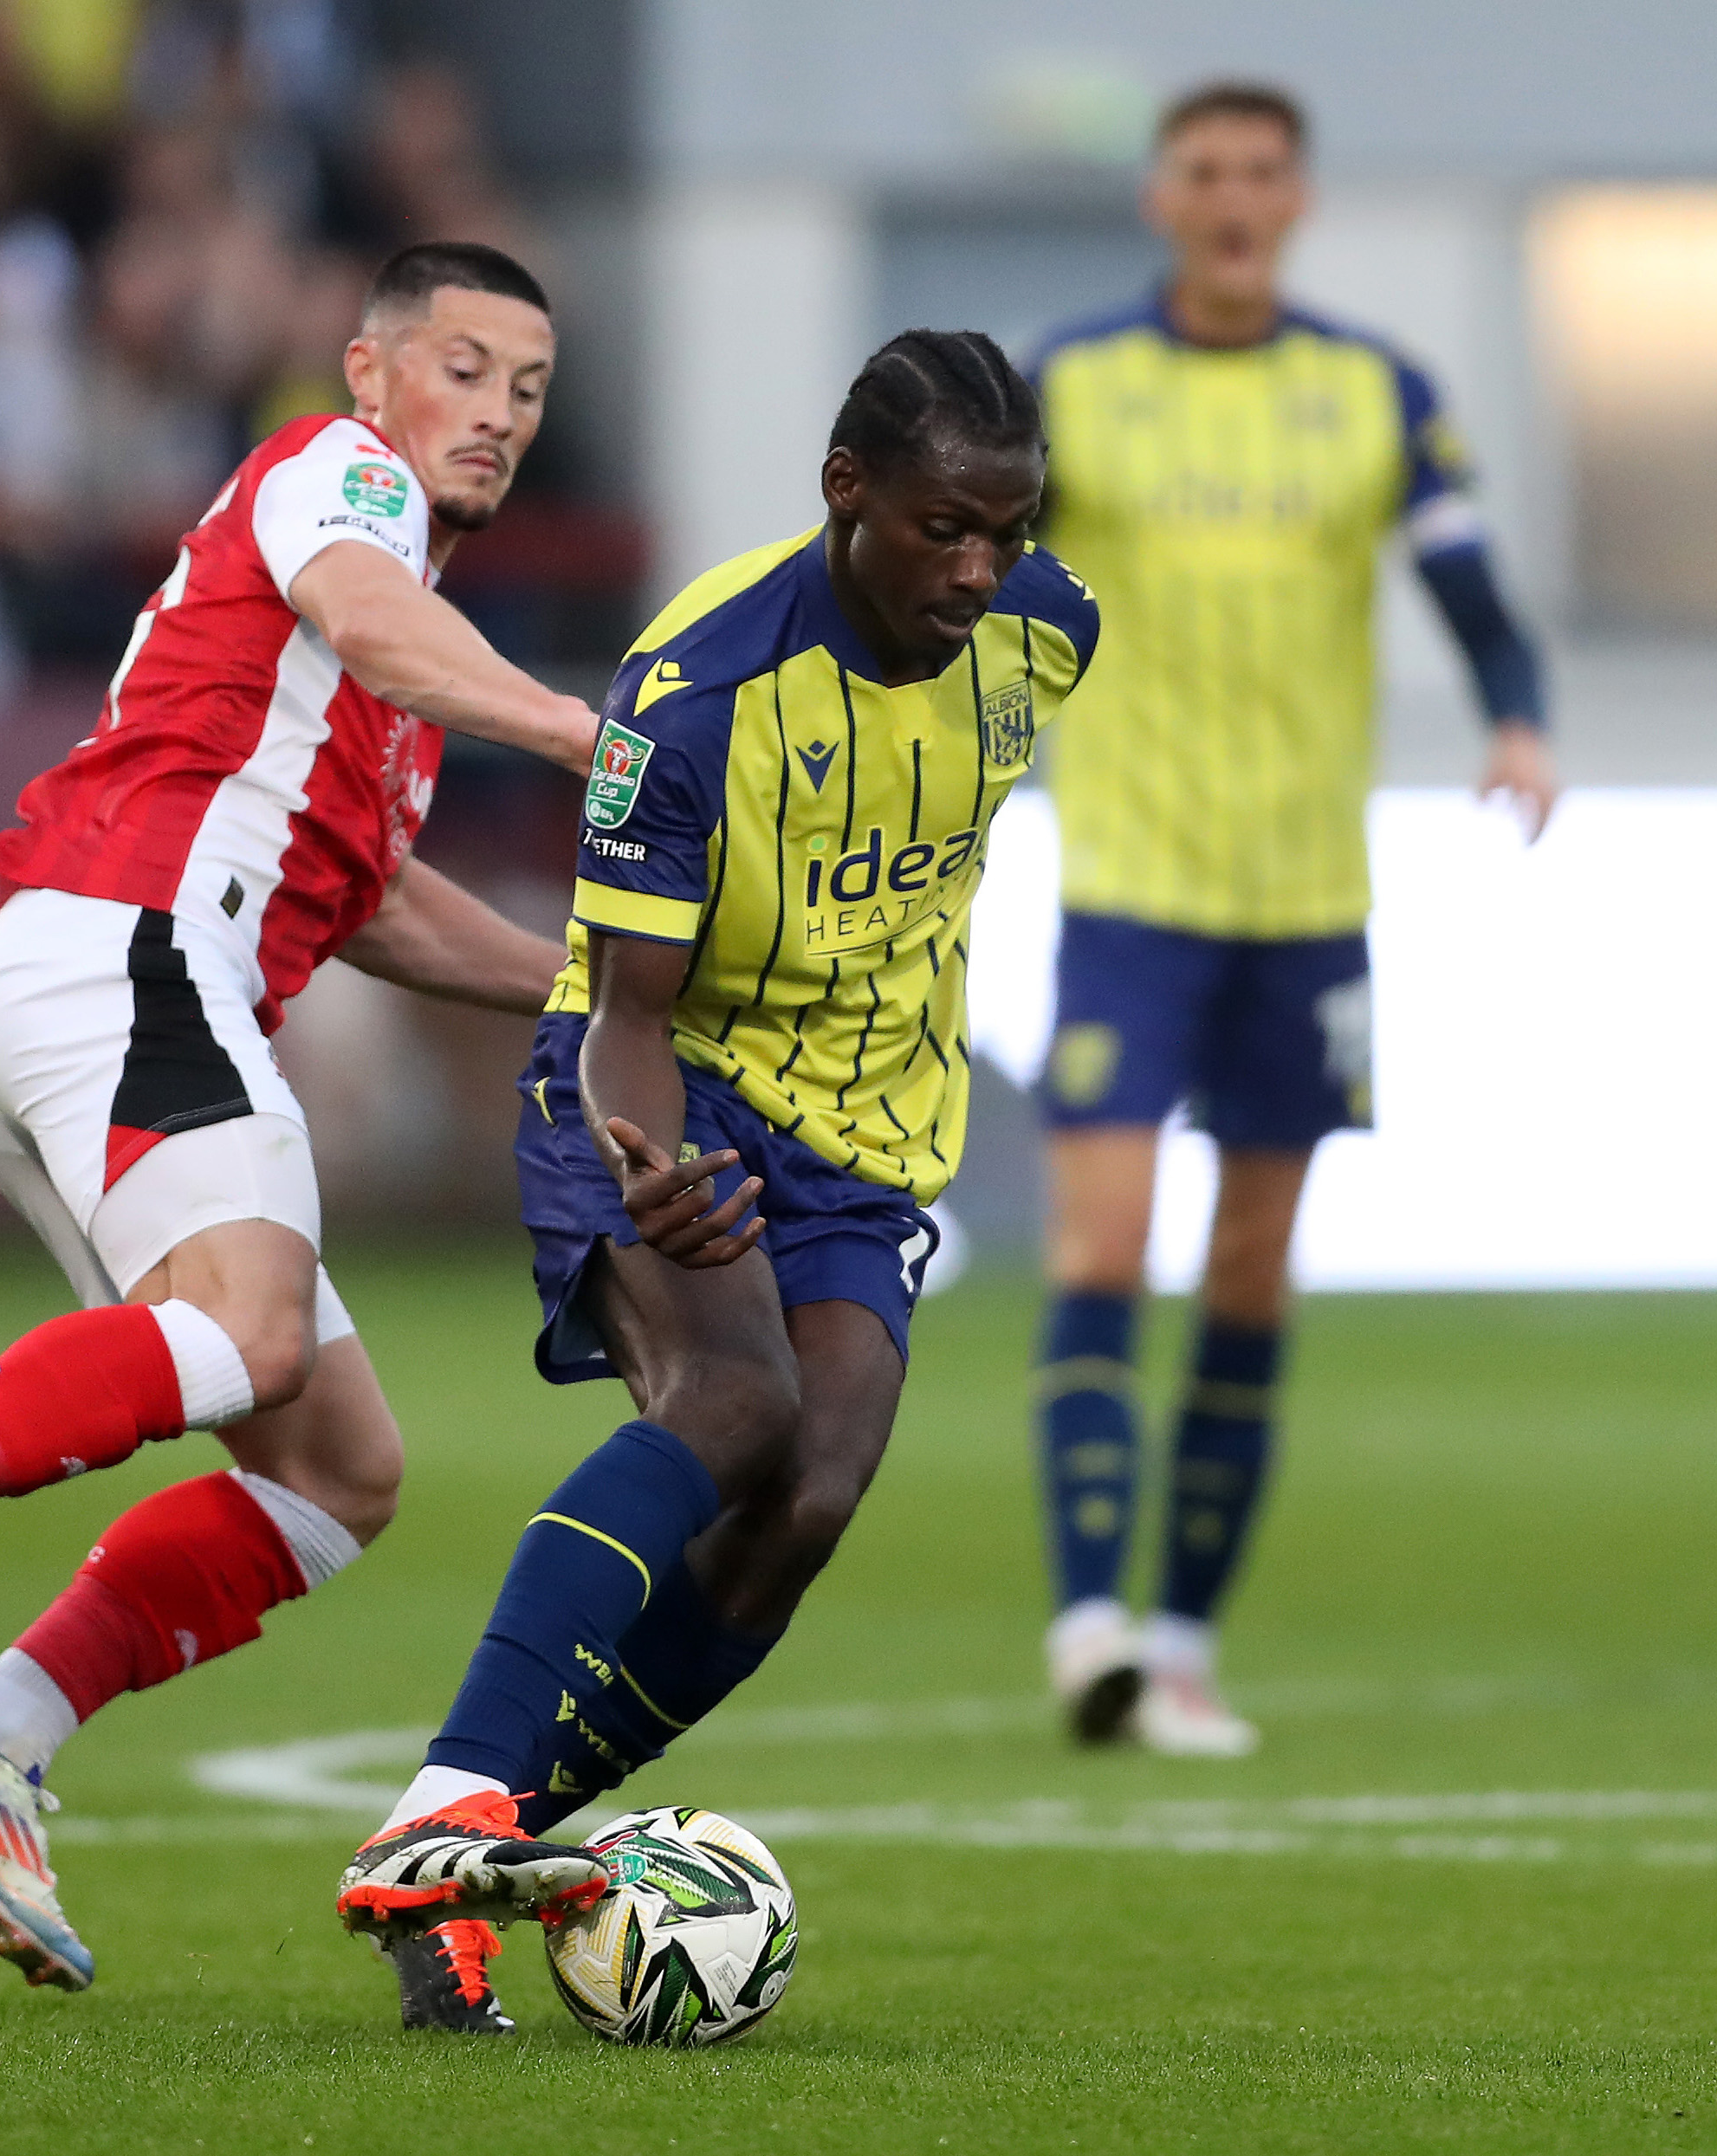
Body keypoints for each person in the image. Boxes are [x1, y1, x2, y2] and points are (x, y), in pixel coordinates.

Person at [0, 242, 599, 2010]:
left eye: (527, 390)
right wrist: (589, 734)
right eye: (463, 369)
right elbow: (367, 614)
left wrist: (580, 991)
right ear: (370, 374)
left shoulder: (375, 688)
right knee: (250, 1333)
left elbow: (373, 899)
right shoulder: (342, 486)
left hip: (93, 988)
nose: (491, 414)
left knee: (337, 1471)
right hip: (132, 953)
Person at [329, 329, 1099, 2034]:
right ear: (846, 496)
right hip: (664, 1084)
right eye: (940, 530)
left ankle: (479, 1851)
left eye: (1006, 528)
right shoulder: (687, 701)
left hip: (875, 1133)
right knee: (736, 1402)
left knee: (808, 1500)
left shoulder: (1048, 634)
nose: (977, 571)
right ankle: (451, 1798)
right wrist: (649, 1167)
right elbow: (622, 1015)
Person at [1025, 82, 1557, 1757]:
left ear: (1300, 198)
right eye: (1205, 173)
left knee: (1254, 1268)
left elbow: (1470, 587)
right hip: (1130, 886)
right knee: (1105, 1241)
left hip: (1309, 901)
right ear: (1159, 200)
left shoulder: (1376, 393)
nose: (1235, 199)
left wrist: (1519, 719)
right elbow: (964, 576)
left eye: (1262, 173)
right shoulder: (1074, 388)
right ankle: (1090, 1619)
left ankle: (1179, 1644)